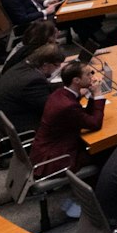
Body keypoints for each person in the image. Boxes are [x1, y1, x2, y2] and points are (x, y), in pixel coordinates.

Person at [31, 59, 105, 205]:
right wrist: (98, 93)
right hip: (56, 158)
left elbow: (83, 117)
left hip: (44, 149)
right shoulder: (67, 106)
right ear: (76, 80)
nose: (92, 76)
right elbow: (95, 124)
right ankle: (99, 197)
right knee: (104, 152)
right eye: (88, 74)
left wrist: (89, 95)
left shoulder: (60, 93)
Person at [0, 44, 65, 135]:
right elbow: (51, 109)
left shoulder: (24, 66)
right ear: (45, 65)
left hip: (4, 117)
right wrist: (74, 94)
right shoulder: (33, 80)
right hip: (18, 127)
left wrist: (67, 85)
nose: (58, 68)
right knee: (65, 120)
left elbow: (45, 87)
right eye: (57, 66)